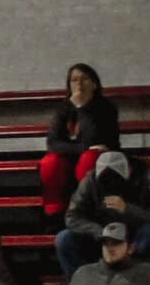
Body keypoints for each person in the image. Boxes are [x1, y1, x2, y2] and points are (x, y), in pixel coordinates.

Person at [41, 61, 120, 216]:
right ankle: (55, 212)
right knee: (50, 162)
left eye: (84, 79)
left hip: (102, 158)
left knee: (89, 158)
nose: (79, 84)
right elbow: (53, 143)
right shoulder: (63, 108)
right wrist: (81, 148)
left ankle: (87, 208)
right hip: (73, 156)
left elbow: (94, 140)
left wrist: (82, 109)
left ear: (94, 84)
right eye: (74, 80)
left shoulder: (106, 108)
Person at [60, 150, 149, 277]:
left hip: (133, 237)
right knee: (64, 239)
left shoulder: (145, 180)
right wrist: (99, 232)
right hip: (100, 236)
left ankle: (139, 279)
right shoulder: (90, 182)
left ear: (129, 170)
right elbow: (72, 216)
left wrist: (127, 209)